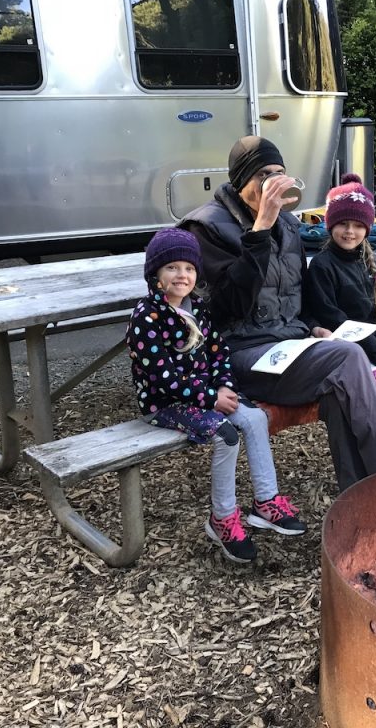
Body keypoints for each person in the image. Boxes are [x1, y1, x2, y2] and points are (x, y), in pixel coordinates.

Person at [179, 136, 376, 491]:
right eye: (264, 174)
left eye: (280, 172)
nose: (275, 181)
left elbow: (298, 297)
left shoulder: (288, 225)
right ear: (242, 180)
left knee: (340, 389)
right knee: (348, 358)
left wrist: (314, 326)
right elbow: (226, 308)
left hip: (290, 347)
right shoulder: (205, 228)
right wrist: (260, 229)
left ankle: (365, 496)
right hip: (240, 355)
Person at [126, 227, 307, 564]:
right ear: (155, 275)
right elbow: (162, 378)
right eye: (172, 267)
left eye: (189, 268)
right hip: (164, 403)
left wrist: (223, 386)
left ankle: (265, 501)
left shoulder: (197, 309)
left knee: (255, 417)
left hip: (205, 394)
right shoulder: (146, 318)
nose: (182, 275)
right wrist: (211, 399)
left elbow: (218, 352)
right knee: (226, 435)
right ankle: (222, 518)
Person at [303, 174, 376, 457]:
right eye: (343, 224)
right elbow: (332, 317)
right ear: (330, 224)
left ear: (367, 228)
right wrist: (374, 350)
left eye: (358, 225)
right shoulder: (322, 266)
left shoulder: (374, 262)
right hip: (351, 350)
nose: (349, 232)